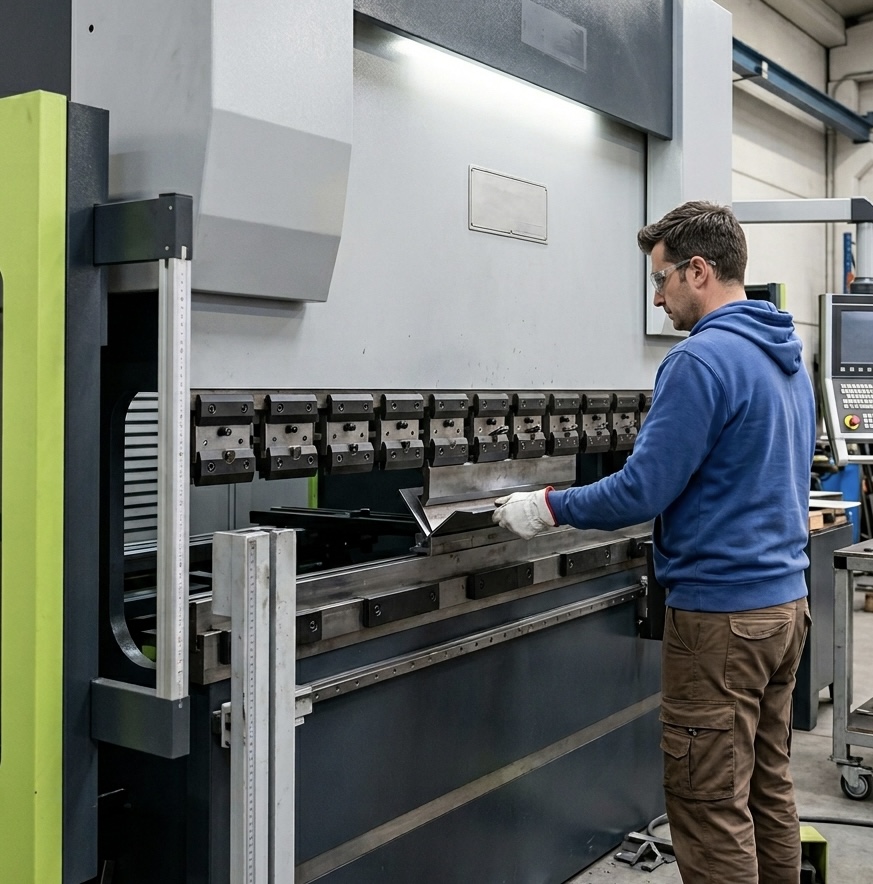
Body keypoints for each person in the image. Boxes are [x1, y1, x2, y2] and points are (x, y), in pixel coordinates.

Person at [493, 201, 815, 883]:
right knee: (765, 788)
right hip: (784, 607)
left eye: (661, 278)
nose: (657, 295)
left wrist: (544, 506)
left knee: (707, 804)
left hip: (722, 621)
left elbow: (641, 491)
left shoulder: (699, 362)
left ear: (696, 270)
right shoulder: (783, 354)